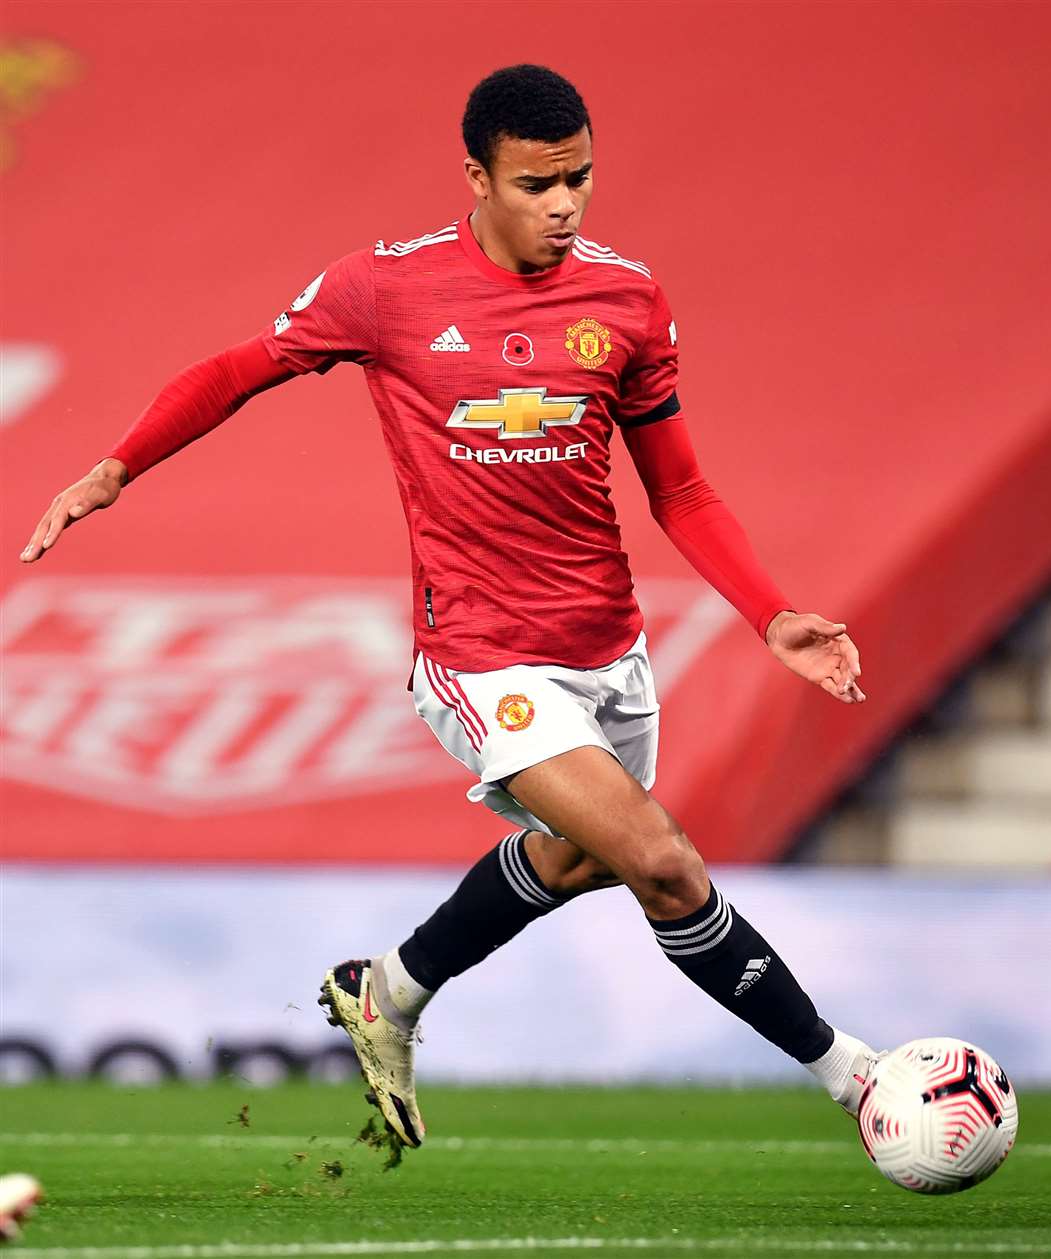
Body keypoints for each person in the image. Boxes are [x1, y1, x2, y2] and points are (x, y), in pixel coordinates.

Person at [21, 64, 875, 1152]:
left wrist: (773, 614)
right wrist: (115, 468)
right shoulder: (387, 289)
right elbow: (238, 368)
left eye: (581, 179)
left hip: (606, 649)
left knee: (579, 857)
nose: (564, 206)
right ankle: (859, 1077)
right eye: (536, 185)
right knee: (661, 862)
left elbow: (683, 490)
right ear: (476, 176)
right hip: (481, 653)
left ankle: (391, 987)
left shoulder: (626, 297)